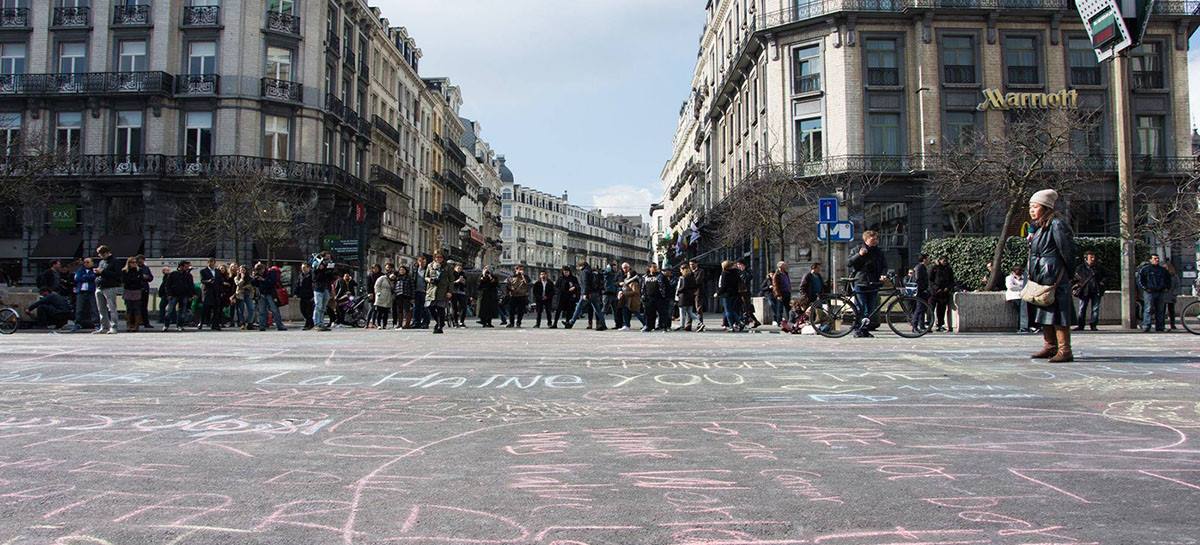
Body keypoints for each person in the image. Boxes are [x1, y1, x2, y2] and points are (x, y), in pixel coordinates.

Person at [1027, 189, 1076, 363]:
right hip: (1042, 276)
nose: (1032, 210)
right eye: (1030, 207)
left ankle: (1065, 349)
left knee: (1059, 313)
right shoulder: (1040, 227)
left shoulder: (1056, 224)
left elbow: (1067, 250)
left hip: (1054, 276)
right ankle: (1050, 346)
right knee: (1045, 310)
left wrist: (1069, 273)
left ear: (1046, 207)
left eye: (1035, 207)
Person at [847, 231, 888, 338]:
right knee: (861, 308)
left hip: (874, 283)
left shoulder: (878, 252)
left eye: (876, 239)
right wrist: (859, 255)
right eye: (873, 239)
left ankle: (865, 330)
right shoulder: (857, 249)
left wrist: (883, 274)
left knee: (870, 309)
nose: (875, 241)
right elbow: (849, 263)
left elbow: (884, 265)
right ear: (866, 240)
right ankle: (857, 329)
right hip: (861, 282)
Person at [565, 262, 606, 330]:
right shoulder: (592, 271)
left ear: (582, 266)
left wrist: (585, 293)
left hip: (588, 293)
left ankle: (571, 323)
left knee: (578, 307)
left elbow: (585, 283)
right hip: (595, 293)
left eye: (579, 266)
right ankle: (603, 324)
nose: (578, 268)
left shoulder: (584, 272)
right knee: (598, 310)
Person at [1072, 251, 1106, 332]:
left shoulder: (1099, 267)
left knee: (1095, 309)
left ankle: (1093, 325)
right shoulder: (1080, 268)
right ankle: (1081, 325)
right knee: (1082, 308)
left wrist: (1102, 282)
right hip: (1084, 291)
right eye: (1091, 258)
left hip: (1096, 290)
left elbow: (1107, 275)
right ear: (1086, 259)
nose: (1093, 259)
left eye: (1093, 257)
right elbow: (1074, 279)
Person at [1136, 254, 1170, 333]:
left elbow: (1168, 280)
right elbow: (1140, 280)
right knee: (1148, 309)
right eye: (1155, 258)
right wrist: (1145, 288)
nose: (1157, 260)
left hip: (1160, 291)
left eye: (1157, 258)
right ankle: (1146, 325)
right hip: (1149, 292)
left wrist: (1166, 288)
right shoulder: (1145, 269)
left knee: (1160, 310)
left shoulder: (1162, 270)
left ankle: (1160, 326)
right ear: (1150, 260)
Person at [93, 246, 122, 334]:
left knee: (112, 308)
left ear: (106, 253)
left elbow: (117, 274)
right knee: (101, 309)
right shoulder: (101, 262)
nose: (100, 256)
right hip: (99, 286)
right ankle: (104, 326)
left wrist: (102, 272)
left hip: (110, 287)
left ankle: (114, 327)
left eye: (101, 254)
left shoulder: (115, 261)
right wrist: (97, 273)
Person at [252, 262, 287, 332]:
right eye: (257, 270)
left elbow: (272, 283)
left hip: (270, 294)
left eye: (260, 270)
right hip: (261, 294)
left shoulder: (271, 273)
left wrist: (263, 280)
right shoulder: (257, 274)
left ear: (263, 268)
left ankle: (279, 325)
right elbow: (254, 284)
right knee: (262, 311)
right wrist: (254, 277)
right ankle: (262, 326)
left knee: (274, 310)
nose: (260, 272)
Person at [424, 253, 453, 334]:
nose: (439, 258)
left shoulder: (447, 267)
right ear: (434, 258)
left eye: (441, 257)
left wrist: (450, 291)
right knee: (430, 307)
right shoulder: (430, 266)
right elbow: (426, 276)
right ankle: (440, 321)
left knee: (440, 308)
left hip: (443, 290)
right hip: (431, 290)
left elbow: (451, 280)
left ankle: (440, 326)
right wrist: (429, 280)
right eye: (437, 257)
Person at [163, 261, 194, 332]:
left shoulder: (188, 275)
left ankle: (180, 325)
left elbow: (191, 286)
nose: (187, 268)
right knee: (169, 311)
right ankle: (166, 325)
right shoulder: (173, 274)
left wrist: (191, 295)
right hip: (173, 295)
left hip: (184, 295)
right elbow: (167, 285)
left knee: (182, 312)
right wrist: (169, 294)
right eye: (186, 266)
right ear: (181, 266)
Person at [930, 256, 956, 332]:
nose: (945, 262)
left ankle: (940, 325)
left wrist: (948, 288)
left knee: (941, 309)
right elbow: (930, 280)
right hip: (935, 292)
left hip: (944, 292)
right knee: (931, 308)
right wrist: (936, 288)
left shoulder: (948, 269)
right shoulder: (934, 268)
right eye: (943, 261)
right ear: (940, 260)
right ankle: (929, 324)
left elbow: (952, 280)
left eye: (946, 261)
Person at [118, 256, 144, 332]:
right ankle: (129, 325)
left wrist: (134, 280)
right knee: (128, 309)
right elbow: (125, 281)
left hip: (137, 290)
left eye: (135, 262)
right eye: (132, 262)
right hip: (128, 290)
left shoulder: (139, 270)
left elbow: (140, 280)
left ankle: (136, 326)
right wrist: (134, 280)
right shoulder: (124, 271)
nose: (134, 264)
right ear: (128, 263)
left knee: (137, 309)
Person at [1005, 266, 1034, 334]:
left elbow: (1028, 286)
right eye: (1017, 273)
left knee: (1027, 311)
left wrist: (1019, 287)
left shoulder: (1025, 278)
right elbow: (1010, 287)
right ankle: (1021, 327)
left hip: (1024, 297)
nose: (1019, 275)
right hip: (1014, 297)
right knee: (1020, 312)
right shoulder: (1009, 278)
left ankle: (1028, 326)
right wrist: (1022, 287)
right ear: (1013, 272)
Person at [71, 258, 97, 332]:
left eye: (88, 262)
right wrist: (87, 277)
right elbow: (77, 278)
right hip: (81, 292)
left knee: (94, 308)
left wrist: (84, 277)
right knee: (79, 309)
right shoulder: (80, 270)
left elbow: (94, 277)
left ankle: (96, 323)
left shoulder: (94, 270)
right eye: (85, 262)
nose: (86, 263)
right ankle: (77, 323)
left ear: (92, 263)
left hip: (91, 291)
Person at [199, 258, 224, 331]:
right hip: (208, 292)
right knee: (205, 308)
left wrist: (221, 291)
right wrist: (208, 281)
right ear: (208, 263)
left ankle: (215, 325)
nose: (212, 264)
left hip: (216, 292)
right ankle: (201, 322)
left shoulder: (218, 271)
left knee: (216, 309)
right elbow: (202, 280)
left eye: (213, 262)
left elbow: (220, 281)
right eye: (210, 262)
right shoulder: (203, 271)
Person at [641, 263, 668, 332]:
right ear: (650, 268)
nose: (655, 268)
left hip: (659, 297)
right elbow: (643, 287)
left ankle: (663, 326)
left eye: (656, 267)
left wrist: (664, 296)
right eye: (654, 267)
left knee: (662, 313)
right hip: (649, 298)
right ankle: (649, 326)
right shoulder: (645, 277)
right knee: (649, 313)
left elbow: (666, 286)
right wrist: (643, 296)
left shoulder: (660, 276)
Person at [312, 253, 335, 331]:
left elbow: (331, 277)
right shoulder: (316, 264)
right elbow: (315, 277)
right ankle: (316, 323)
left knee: (323, 307)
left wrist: (330, 270)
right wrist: (319, 269)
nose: (328, 259)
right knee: (318, 305)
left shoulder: (328, 265)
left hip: (326, 288)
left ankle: (321, 323)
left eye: (329, 258)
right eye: (326, 258)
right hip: (318, 288)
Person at [616, 263, 642, 331]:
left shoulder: (633, 283)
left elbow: (635, 292)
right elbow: (617, 282)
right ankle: (626, 325)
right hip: (627, 300)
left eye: (628, 274)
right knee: (625, 312)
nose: (626, 274)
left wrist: (625, 293)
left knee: (637, 313)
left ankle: (645, 324)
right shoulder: (626, 279)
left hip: (632, 300)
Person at [717, 260, 741, 332]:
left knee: (728, 311)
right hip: (735, 293)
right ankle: (739, 322)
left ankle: (731, 325)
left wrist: (718, 293)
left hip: (727, 294)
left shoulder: (725, 273)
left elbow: (723, 286)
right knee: (732, 310)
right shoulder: (736, 272)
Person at [735, 261, 760, 329]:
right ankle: (755, 321)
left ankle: (744, 323)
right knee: (746, 309)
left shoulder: (747, 271)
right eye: (737, 265)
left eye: (739, 264)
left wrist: (744, 271)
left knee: (746, 308)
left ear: (743, 264)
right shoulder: (739, 272)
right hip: (740, 292)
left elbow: (748, 278)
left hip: (745, 293)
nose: (738, 266)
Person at [676, 263, 699, 331]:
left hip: (683, 297)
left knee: (682, 313)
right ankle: (699, 323)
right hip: (690, 297)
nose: (680, 271)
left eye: (681, 269)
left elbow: (683, 287)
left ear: (683, 270)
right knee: (690, 312)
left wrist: (678, 291)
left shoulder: (683, 277)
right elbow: (695, 287)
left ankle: (682, 325)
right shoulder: (692, 277)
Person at [771, 261, 792, 327]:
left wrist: (789, 289)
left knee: (788, 308)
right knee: (780, 309)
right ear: (780, 267)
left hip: (787, 292)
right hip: (781, 293)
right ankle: (779, 321)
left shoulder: (786, 273)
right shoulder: (777, 274)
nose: (786, 266)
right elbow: (775, 286)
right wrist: (778, 295)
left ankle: (790, 321)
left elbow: (788, 282)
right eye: (784, 265)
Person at [295, 263, 315, 330]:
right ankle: (310, 323)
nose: (303, 269)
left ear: (308, 268)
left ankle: (309, 324)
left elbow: (314, 285)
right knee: (303, 310)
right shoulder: (301, 275)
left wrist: (314, 295)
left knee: (309, 311)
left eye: (304, 267)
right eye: (302, 268)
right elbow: (298, 284)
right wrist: (296, 293)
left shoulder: (312, 275)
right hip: (302, 295)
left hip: (310, 295)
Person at [412, 255, 430, 329]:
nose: (422, 263)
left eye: (424, 262)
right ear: (418, 262)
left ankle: (425, 323)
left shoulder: (428, 270)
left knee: (425, 308)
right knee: (416, 308)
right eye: (420, 261)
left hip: (425, 291)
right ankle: (416, 322)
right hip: (416, 291)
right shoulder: (415, 270)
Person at [136, 255, 153, 326]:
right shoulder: (135, 267)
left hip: (145, 289)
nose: (142, 261)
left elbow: (151, 277)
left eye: (143, 260)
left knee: (144, 306)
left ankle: (146, 322)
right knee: (136, 306)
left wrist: (147, 277)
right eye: (140, 260)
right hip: (136, 289)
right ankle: (137, 321)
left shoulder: (146, 268)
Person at [451, 264, 468, 328]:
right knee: (454, 307)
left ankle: (461, 321)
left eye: (460, 268)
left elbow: (466, 284)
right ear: (455, 268)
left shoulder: (463, 274)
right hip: (453, 292)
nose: (459, 270)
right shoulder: (452, 274)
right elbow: (450, 283)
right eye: (458, 268)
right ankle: (455, 322)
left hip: (461, 292)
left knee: (464, 307)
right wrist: (457, 281)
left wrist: (463, 282)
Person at [1165, 259, 1180, 330]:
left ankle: (1172, 324)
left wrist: (1174, 294)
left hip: (1170, 295)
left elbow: (1177, 286)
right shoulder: (1164, 275)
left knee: (1171, 311)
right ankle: (1165, 324)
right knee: (1164, 311)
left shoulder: (1174, 276)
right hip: (1166, 295)